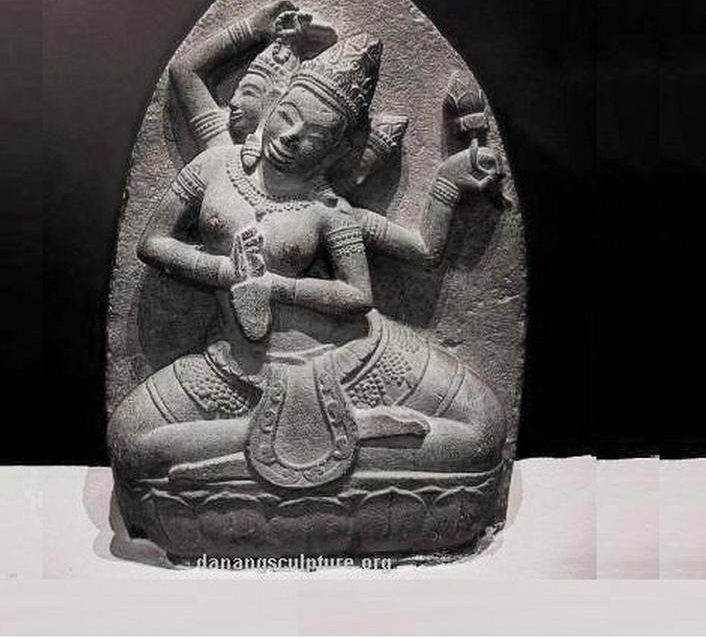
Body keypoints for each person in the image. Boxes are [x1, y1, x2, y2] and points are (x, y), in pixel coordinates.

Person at [108, 32, 506, 492]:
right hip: (239, 363)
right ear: (273, 105)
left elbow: (362, 291)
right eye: (288, 117)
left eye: (316, 137)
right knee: (129, 442)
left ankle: (275, 453)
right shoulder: (215, 165)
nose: (291, 138)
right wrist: (226, 272)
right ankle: (320, 438)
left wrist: (448, 181)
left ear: (339, 150)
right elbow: (152, 242)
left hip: (351, 356)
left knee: (484, 429)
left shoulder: (330, 211)